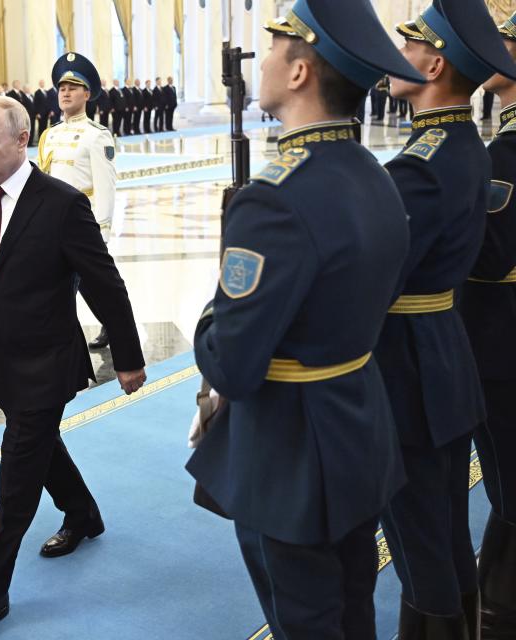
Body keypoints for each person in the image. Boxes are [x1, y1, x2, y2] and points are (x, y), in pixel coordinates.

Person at [186, 0, 425, 636]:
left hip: (289, 451)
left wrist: (210, 317)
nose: (258, 61)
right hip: (357, 423)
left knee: (306, 619)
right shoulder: (375, 174)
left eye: (271, 48)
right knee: (351, 607)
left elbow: (232, 363)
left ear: (298, 74)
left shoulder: (275, 198)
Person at [0, 95, 145, 633]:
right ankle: (83, 514)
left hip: (46, 364)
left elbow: (106, 284)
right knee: (40, 446)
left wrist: (127, 357)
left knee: (16, 478)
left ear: (21, 141)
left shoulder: (60, 203)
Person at [378, 0, 516, 634]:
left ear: (434, 62)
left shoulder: (422, 163)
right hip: (446, 356)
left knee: (420, 545)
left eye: (409, 48)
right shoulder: (463, 144)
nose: (396, 59)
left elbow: (372, 280)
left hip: (410, 369)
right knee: (442, 536)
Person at [458, 9, 516, 636]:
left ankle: (502, 596)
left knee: (505, 470)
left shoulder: (505, 153)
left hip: (502, 337)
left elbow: (493, 257)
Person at [38, 52, 118, 351]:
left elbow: (105, 187)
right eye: (62, 88)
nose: (66, 92)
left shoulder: (97, 136)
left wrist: (103, 232)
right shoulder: (50, 135)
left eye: (73, 87)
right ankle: (59, 338)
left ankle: (114, 323)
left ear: (87, 94)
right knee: (60, 285)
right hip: (51, 224)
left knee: (96, 284)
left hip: (82, 224)